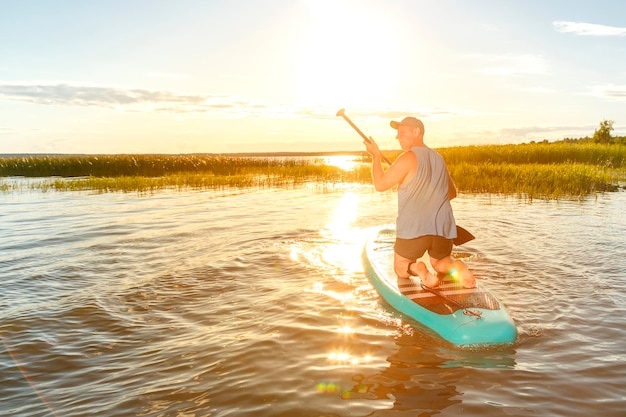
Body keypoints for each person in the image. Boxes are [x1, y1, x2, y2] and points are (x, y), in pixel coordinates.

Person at [363, 116, 476, 289]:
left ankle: (419, 269)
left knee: (400, 267)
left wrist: (376, 156)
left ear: (416, 132)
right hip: (442, 229)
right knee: (440, 262)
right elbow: (451, 193)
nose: (397, 137)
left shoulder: (407, 157)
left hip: (414, 230)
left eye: (402, 132)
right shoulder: (438, 158)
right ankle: (456, 266)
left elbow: (380, 185)